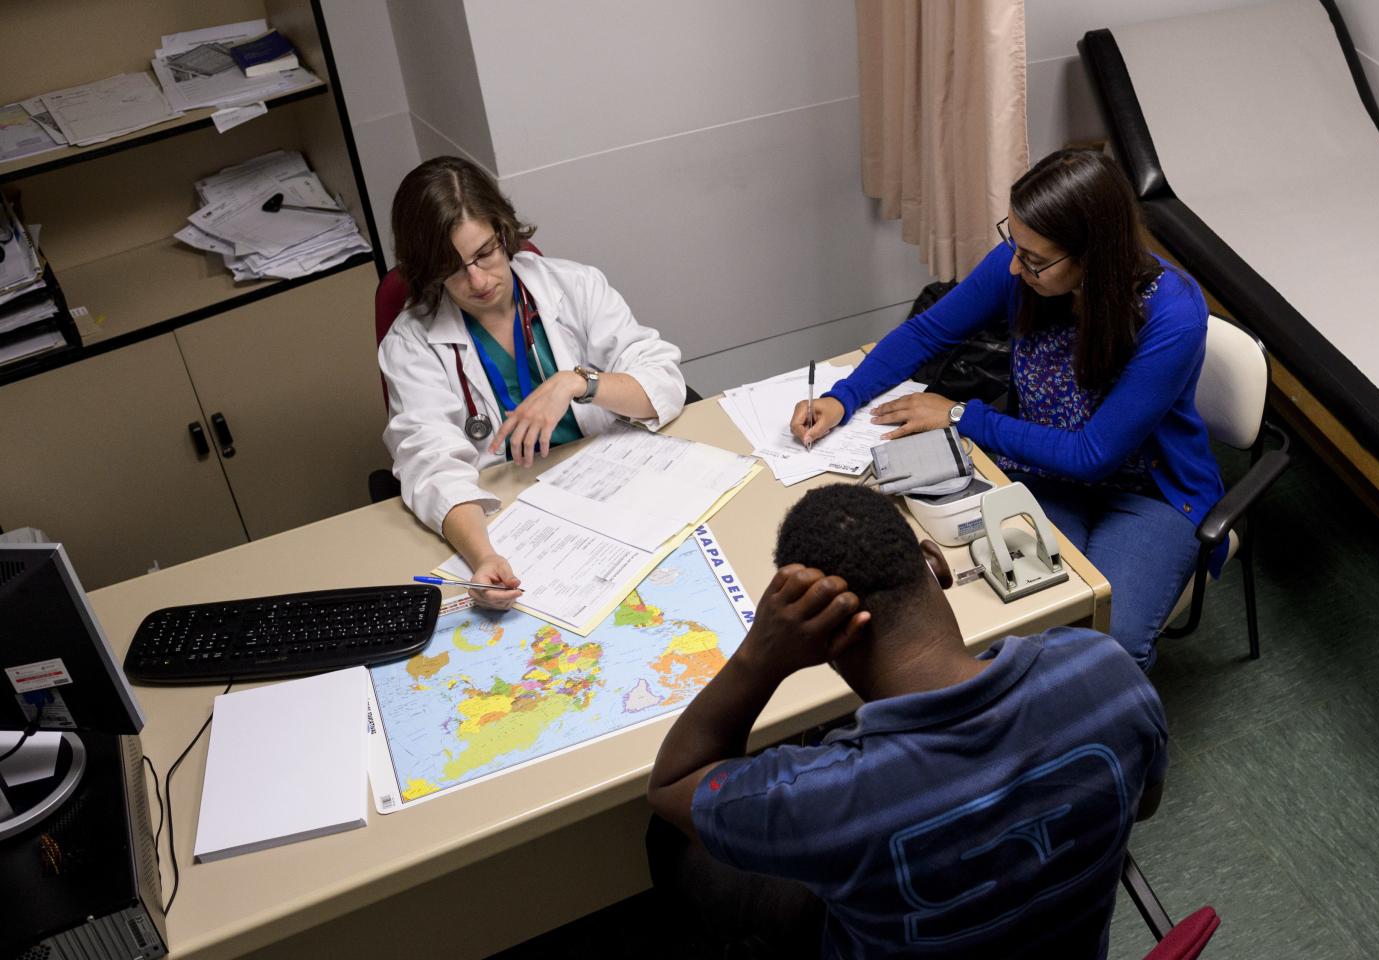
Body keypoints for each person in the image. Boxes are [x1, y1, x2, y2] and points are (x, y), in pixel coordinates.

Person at [647, 483, 1168, 958]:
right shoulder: (1107, 671)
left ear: (820, 639)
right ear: (935, 563)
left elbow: (670, 784)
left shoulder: (826, 798)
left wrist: (760, 657)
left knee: (669, 843)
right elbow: (1143, 804)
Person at [791, 149, 1222, 670]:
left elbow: (1094, 454)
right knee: (1005, 613)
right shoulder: (1020, 266)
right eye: (1014, 245)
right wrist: (844, 396)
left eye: (1035, 259)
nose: (1017, 266)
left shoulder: (1172, 314)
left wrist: (960, 415)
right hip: (1041, 474)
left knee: (1108, 646)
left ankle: (1093, 736)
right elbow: (930, 331)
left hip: (1148, 495)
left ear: (1093, 255)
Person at [379, 157, 686, 609]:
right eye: (454, 267)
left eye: (485, 253)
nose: (478, 280)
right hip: (514, 529)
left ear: (504, 232)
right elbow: (431, 465)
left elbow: (662, 380)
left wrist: (577, 382)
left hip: (615, 499)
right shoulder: (411, 344)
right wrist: (484, 557)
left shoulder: (575, 285)